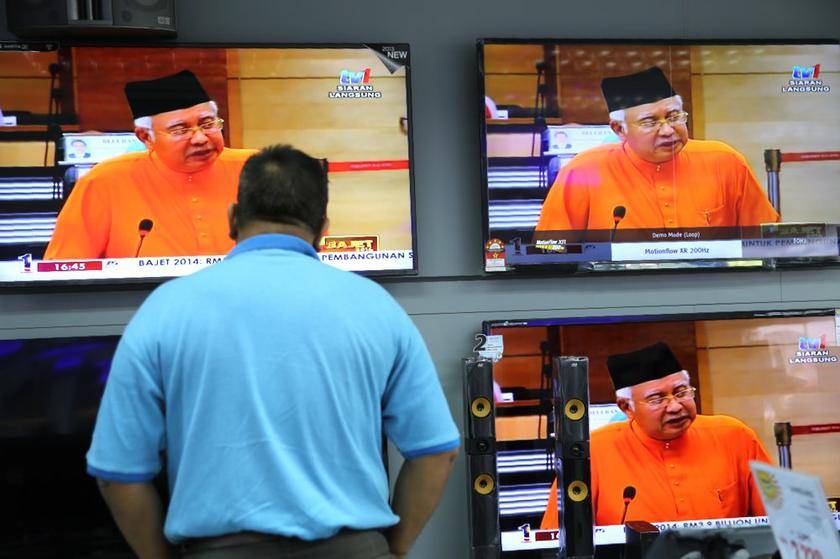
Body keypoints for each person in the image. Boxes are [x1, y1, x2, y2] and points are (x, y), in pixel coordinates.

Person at [86, 145, 460, 559]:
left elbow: (116, 473)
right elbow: (436, 452)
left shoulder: (165, 308)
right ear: (324, 226)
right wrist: (390, 549)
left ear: (232, 219)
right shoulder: (377, 307)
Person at [540, 342, 771, 528]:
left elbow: (782, 522)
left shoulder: (734, 436)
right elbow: (557, 538)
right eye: (657, 399)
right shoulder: (594, 451)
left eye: (681, 392)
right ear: (626, 408)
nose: (675, 406)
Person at [534, 66, 780, 232]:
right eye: (650, 122)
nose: (667, 130)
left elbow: (767, 236)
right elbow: (549, 247)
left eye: (674, 116)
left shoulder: (724, 161)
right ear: (619, 130)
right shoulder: (584, 170)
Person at [45, 70, 256, 260]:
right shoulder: (104, 181)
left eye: (208, 124)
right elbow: (64, 268)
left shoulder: (258, 169)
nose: (200, 138)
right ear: (146, 137)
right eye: (180, 130)